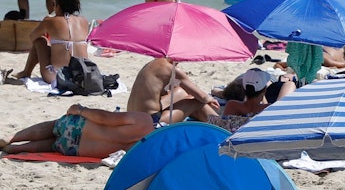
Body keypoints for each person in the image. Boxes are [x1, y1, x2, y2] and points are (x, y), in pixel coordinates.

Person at [0, 105, 154, 158]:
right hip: (76, 150)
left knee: (53, 126)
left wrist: (81, 109)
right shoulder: (145, 150)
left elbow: (105, 118)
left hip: (79, 128)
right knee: (53, 144)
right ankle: (17, 148)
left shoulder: (144, 120)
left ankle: (12, 138)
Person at [13, 0, 89, 84]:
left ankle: (26, 72)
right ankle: (25, 72)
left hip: (58, 76)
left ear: (58, 6)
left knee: (40, 41)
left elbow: (32, 37)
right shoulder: (84, 21)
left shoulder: (50, 20)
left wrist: (46, 22)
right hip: (82, 75)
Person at [126, 57, 220, 125]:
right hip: (151, 124)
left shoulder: (151, 64)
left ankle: (208, 119)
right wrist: (210, 100)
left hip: (132, 118)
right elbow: (202, 97)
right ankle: (222, 125)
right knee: (195, 102)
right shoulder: (172, 69)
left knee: (180, 92)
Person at [221, 68, 295, 117]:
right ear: (265, 90)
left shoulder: (232, 105)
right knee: (290, 84)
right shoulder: (268, 109)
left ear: (243, 88)